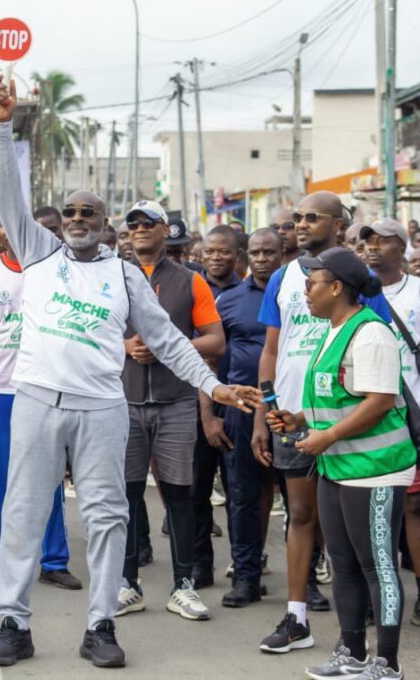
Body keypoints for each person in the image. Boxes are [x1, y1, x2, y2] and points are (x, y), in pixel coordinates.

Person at [0, 76, 260, 669]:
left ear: (105, 222)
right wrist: (3, 126)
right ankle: (14, 623)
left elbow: (169, 341)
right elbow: (7, 193)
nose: (78, 218)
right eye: (70, 212)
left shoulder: (124, 274)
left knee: (108, 517)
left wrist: (213, 385)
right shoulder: (38, 252)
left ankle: (101, 625)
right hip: (37, 401)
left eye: (89, 212)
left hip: (103, 409)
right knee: (23, 513)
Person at [267, 247, 416, 680]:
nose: (305, 292)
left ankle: (387, 664)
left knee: (378, 567)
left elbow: (380, 400)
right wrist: (299, 419)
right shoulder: (333, 330)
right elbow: (339, 396)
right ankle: (351, 652)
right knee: (345, 564)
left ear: (336, 288)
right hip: (338, 467)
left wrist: (327, 436)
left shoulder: (370, 333)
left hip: (375, 469)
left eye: (311, 284)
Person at [254, 191, 392, 655]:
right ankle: (296, 617)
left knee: (350, 526)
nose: (301, 224)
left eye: (312, 217)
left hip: (349, 420)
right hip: (296, 417)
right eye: (297, 217)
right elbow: (271, 350)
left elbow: (380, 345)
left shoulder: (358, 279)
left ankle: (363, 624)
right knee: (301, 515)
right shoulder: (282, 278)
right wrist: (266, 412)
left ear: (339, 224)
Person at [117, 203, 226, 622]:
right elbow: (85, 335)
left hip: (177, 401)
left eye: (149, 223)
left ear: (165, 230)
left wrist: (167, 347)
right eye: (133, 224)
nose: (140, 229)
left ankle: (183, 586)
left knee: (181, 495)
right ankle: (128, 584)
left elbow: (215, 341)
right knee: (126, 496)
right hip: (122, 401)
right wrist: (124, 346)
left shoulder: (190, 280)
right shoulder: (110, 277)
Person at [0, 220, 80, 591]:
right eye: (5, 226)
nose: (14, 231)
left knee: (48, 479)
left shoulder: (55, 272)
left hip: (42, 389)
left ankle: (53, 560)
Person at [362, 219, 420, 634]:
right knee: (369, 511)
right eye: (367, 242)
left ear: (401, 247)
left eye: (382, 242)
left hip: (412, 416)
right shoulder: (353, 290)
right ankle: (375, 595)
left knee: (415, 507)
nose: (372, 248)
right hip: (366, 416)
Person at [214, 227, 282, 608]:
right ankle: (246, 577)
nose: (261, 259)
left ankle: (308, 582)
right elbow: (214, 359)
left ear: (281, 254)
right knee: (241, 495)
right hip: (242, 408)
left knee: (299, 498)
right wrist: (212, 413)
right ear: (246, 256)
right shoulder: (229, 300)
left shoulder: (299, 295)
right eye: (255, 252)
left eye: (268, 252)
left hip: (291, 408)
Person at [192, 225, 243, 590]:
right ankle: (200, 565)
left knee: (239, 492)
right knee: (197, 489)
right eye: (209, 251)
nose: (215, 257)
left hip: (240, 405)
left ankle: (244, 565)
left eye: (223, 251)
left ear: (237, 254)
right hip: (198, 402)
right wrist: (207, 414)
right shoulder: (194, 289)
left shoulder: (251, 292)